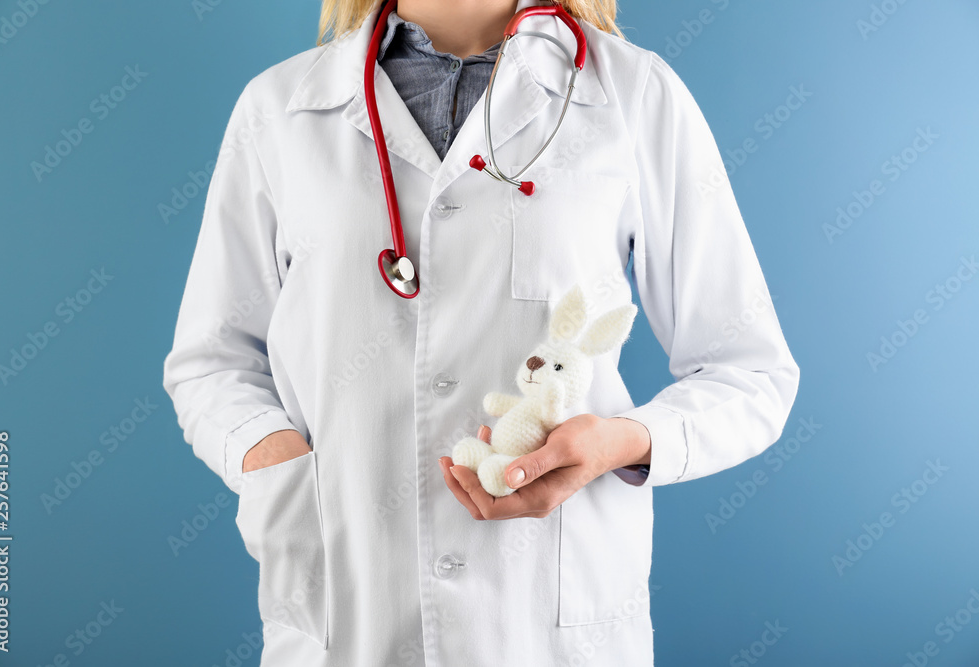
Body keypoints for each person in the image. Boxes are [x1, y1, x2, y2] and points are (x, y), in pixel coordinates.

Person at [162, 0, 801, 664]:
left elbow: (748, 370)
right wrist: (276, 461)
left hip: (544, 621)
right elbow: (211, 359)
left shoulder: (634, 95)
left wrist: (623, 443)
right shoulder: (279, 108)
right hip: (347, 615)